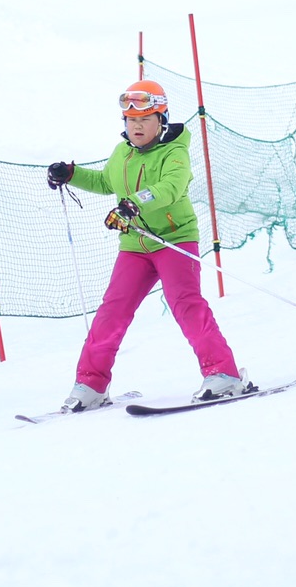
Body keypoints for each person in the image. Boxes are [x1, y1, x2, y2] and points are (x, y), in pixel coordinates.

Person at [46, 80, 249, 411]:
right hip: (135, 243)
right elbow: (104, 182)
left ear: (161, 119)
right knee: (113, 310)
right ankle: (91, 384)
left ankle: (223, 374)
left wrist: (134, 204)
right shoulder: (122, 153)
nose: (137, 126)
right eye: (131, 120)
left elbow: (169, 188)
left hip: (173, 238)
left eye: (145, 119)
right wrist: (71, 174)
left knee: (185, 303)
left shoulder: (175, 152)